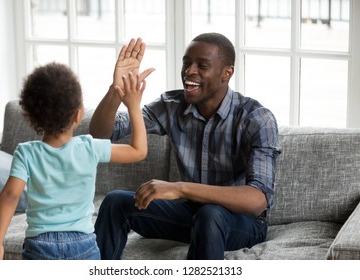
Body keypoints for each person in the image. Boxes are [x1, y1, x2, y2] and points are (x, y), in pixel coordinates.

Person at [89, 33, 281, 260]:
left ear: (226, 73)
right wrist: (116, 90)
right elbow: (100, 134)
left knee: (211, 214)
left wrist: (179, 188)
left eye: (202, 65)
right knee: (115, 202)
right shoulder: (171, 106)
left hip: (241, 223)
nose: (189, 71)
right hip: (191, 215)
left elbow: (258, 200)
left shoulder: (256, 118)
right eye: (186, 63)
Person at [0, 62, 148, 260]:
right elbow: (138, 151)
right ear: (78, 115)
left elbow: (10, 196)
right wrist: (133, 106)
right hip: (83, 245)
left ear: (31, 117)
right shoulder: (89, 147)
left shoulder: (26, 153)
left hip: (39, 245)